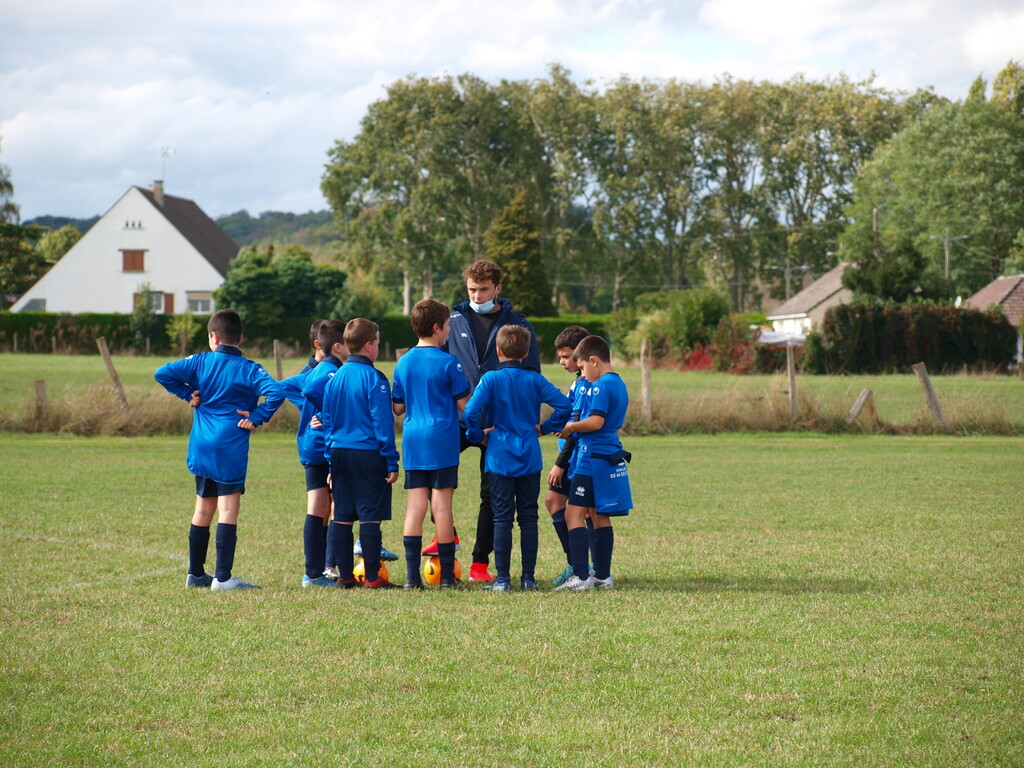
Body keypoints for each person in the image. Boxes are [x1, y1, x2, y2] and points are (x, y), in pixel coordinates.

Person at [154, 308, 285, 591]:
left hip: (201, 446)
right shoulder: (250, 369)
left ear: (213, 337)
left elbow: (161, 373)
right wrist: (257, 416)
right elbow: (277, 392)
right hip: (229, 446)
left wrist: (187, 394)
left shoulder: (200, 361)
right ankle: (223, 578)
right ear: (240, 338)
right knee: (228, 509)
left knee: (203, 509)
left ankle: (195, 574)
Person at [442, 260, 541, 583]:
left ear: (498, 288)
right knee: (433, 479)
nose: (477, 295)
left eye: (484, 289)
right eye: (472, 289)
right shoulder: (452, 321)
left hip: (500, 426)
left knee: (491, 496)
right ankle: (447, 534)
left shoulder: (519, 324)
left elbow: (532, 377)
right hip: (459, 420)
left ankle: (479, 564)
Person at [463, 325, 571, 591]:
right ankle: (528, 578)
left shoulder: (490, 379)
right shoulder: (535, 379)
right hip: (529, 455)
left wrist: (477, 435)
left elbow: (470, 411)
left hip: (499, 455)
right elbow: (565, 406)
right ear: (525, 353)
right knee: (529, 517)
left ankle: (502, 579)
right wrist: (545, 427)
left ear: (498, 350)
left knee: (502, 518)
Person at [392, 299, 471, 590]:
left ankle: (412, 579)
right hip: (442, 440)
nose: (449, 331)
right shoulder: (449, 362)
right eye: (448, 326)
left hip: (414, 441)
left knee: (415, 509)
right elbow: (465, 406)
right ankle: (447, 578)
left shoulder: (404, 362)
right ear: (437, 327)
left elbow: (398, 407)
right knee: (442, 508)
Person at [320, 318, 400, 589]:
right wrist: (391, 460)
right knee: (369, 515)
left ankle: (344, 577)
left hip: (339, 453)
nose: (377, 347)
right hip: (368, 453)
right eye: (377, 342)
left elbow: (328, 423)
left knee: (342, 515)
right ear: (368, 345)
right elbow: (382, 423)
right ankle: (372, 578)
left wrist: (330, 462)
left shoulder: (335, 378)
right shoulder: (375, 378)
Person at [554, 335, 632, 591]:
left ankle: (581, 577)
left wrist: (570, 427)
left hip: (591, 456)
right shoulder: (619, 383)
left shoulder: (600, 386)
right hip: (608, 453)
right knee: (599, 515)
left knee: (572, 514)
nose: (584, 375)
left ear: (594, 361)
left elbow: (596, 422)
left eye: (583, 367)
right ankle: (603, 576)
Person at [279, 319, 345, 587]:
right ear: (338, 346)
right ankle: (320, 570)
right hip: (322, 445)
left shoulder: (319, 370)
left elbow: (285, 386)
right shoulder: (330, 372)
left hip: (311, 445)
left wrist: (312, 409)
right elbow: (306, 390)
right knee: (332, 506)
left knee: (319, 507)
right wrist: (319, 411)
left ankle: (316, 572)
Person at [542, 325, 597, 586]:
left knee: (581, 511)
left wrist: (559, 463)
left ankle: (586, 568)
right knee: (559, 504)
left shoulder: (587, 385)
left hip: (576, 459)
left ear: (580, 353)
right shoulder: (579, 381)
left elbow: (577, 430)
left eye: (566, 356)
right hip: (572, 458)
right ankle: (579, 565)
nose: (562, 362)